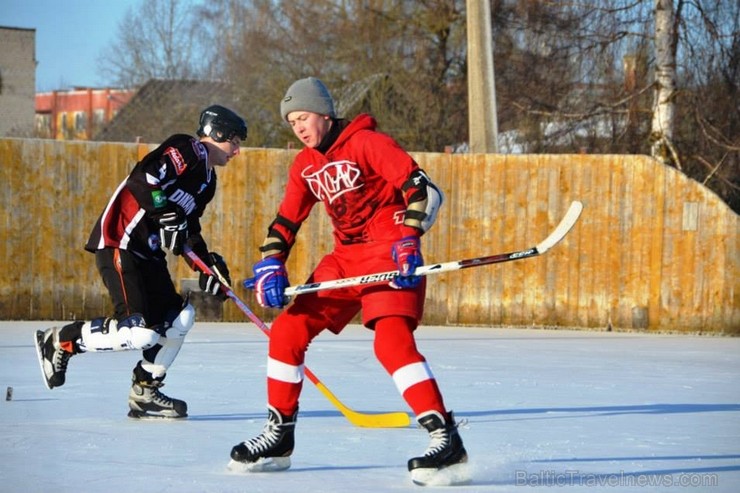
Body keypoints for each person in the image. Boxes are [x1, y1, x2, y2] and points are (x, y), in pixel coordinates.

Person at [229, 77, 468, 484]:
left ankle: (445, 438)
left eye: (303, 117)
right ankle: (280, 436)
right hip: (344, 260)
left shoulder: (367, 142)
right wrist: (271, 261)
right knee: (286, 331)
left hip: (391, 252)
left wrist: (410, 238)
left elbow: (423, 190)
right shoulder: (305, 164)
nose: (299, 127)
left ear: (324, 112)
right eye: (292, 122)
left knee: (391, 343)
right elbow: (287, 219)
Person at [34, 105, 247, 419]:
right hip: (121, 242)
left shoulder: (208, 181)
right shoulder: (188, 148)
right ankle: (61, 341)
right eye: (234, 141)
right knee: (138, 332)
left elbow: (188, 229)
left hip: (149, 253)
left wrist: (207, 267)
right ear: (216, 133)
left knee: (180, 319)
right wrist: (165, 210)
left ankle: (145, 391)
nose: (237, 151)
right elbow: (143, 179)